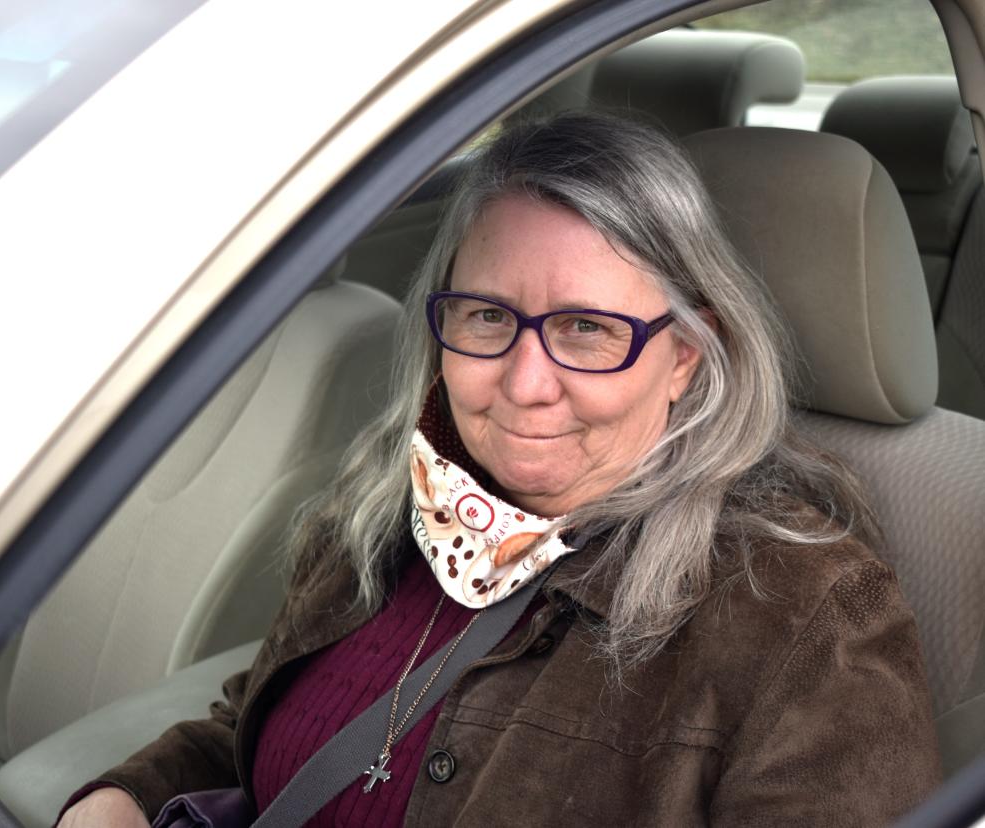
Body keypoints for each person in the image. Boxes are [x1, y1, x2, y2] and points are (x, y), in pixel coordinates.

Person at [57, 112, 940, 826]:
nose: (524, 385)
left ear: (683, 356)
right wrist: (126, 797)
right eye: (486, 317)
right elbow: (260, 727)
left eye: (587, 330)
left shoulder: (806, 617)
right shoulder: (396, 505)